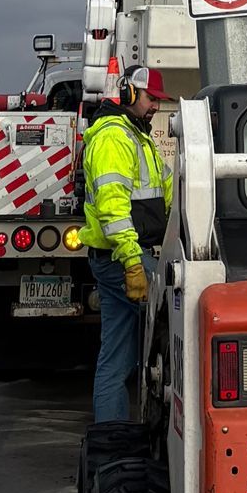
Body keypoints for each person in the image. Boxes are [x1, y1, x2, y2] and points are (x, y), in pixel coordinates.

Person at [80, 63, 173, 422]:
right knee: (181, 336)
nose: (156, 107)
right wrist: (133, 262)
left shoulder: (136, 136)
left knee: (116, 358)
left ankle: (111, 436)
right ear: (129, 94)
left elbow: (165, 193)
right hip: (124, 260)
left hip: (123, 258)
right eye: (151, 99)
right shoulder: (113, 138)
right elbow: (112, 206)